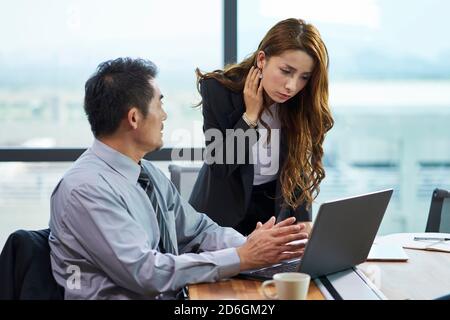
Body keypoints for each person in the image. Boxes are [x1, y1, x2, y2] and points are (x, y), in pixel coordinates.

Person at [48, 57, 308, 300]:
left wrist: (263, 248)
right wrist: (241, 257)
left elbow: (199, 230)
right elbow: (146, 272)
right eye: (159, 104)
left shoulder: (147, 173)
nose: (164, 115)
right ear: (134, 117)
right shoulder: (86, 189)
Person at [189, 18, 333, 235]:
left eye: (304, 77)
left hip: (272, 212)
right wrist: (250, 117)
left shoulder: (300, 104)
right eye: (286, 70)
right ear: (262, 59)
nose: (291, 86)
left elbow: (298, 167)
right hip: (220, 216)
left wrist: (303, 223)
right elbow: (220, 166)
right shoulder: (218, 91)